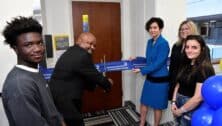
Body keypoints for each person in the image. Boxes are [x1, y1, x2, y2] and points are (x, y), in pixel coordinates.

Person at [1, 16, 65, 126]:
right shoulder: (19, 84)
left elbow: (51, 110)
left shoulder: (34, 71)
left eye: (40, 43)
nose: (38, 49)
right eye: (28, 45)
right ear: (15, 48)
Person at [49, 32, 113, 126]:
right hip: (65, 98)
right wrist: (108, 83)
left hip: (59, 94)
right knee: (76, 123)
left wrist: (94, 85)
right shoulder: (82, 56)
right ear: (79, 41)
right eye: (89, 43)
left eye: (94, 45)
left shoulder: (71, 51)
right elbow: (95, 76)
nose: (92, 47)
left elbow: (82, 75)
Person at [132, 17, 170, 126]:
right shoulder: (149, 42)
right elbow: (149, 60)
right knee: (144, 102)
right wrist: (137, 58)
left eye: (155, 27)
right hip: (150, 78)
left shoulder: (164, 43)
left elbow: (158, 63)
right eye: (150, 28)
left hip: (160, 80)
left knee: (157, 106)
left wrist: (142, 70)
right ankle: (142, 123)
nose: (152, 30)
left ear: (160, 29)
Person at [171, 35, 215, 126]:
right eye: (187, 47)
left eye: (194, 47)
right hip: (178, 102)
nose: (189, 50)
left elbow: (198, 97)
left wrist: (181, 110)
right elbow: (178, 84)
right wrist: (173, 102)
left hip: (190, 106)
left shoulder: (204, 68)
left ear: (202, 49)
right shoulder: (186, 63)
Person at [168, 20, 199, 100]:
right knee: (175, 109)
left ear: (193, 30)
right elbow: (172, 65)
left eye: (187, 29)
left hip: (189, 87)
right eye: (181, 29)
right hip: (175, 84)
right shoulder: (176, 46)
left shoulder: (200, 47)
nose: (183, 31)